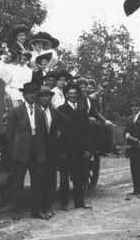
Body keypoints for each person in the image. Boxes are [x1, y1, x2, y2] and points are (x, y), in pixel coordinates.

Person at [6, 83, 60, 220]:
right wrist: (13, 151)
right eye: (28, 93)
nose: (31, 95)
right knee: (17, 184)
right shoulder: (15, 111)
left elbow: (41, 133)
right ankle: (16, 212)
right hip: (21, 151)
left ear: (36, 95)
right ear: (24, 95)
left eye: (33, 92)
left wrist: (42, 151)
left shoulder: (40, 112)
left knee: (38, 183)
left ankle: (36, 211)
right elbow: (9, 134)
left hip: (37, 151)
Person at [57, 83, 93, 211]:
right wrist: (61, 151)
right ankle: (64, 203)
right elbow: (59, 131)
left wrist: (88, 149)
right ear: (66, 95)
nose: (72, 95)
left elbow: (86, 130)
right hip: (66, 149)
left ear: (78, 95)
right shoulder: (60, 109)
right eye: (70, 93)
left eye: (74, 93)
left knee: (79, 177)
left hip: (80, 148)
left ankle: (79, 202)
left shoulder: (83, 109)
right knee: (64, 178)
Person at [37, 85, 70, 219]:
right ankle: (40, 208)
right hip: (38, 151)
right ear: (38, 98)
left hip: (52, 151)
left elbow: (67, 121)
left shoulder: (54, 112)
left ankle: (48, 207)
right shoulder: (35, 112)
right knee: (40, 180)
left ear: (50, 98)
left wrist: (59, 131)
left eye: (47, 96)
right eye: (42, 96)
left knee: (51, 181)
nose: (45, 98)